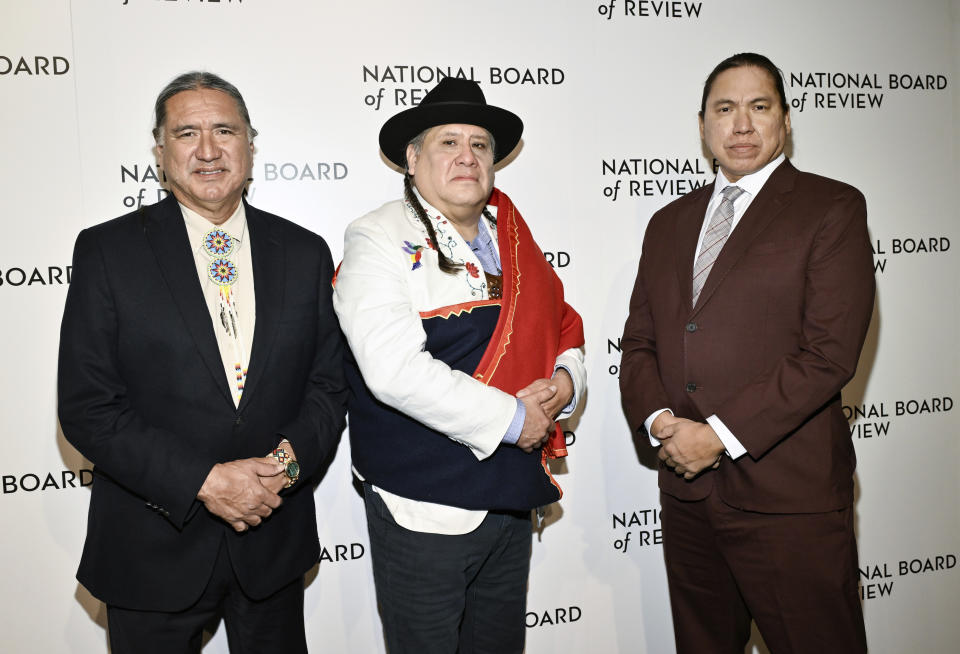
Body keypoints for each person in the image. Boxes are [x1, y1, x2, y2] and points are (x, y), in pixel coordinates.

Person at [57, 71, 346, 654]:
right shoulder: (107, 251)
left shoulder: (305, 250)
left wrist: (281, 471)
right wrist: (206, 482)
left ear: (250, 145)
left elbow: (328, 386)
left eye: (225, 131)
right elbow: (88, 408)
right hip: (151, 548)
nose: (209, 150)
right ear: (161, 151)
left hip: (272, 542)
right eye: (187, 133)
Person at [619, 53, 874, 653]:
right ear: (703, 125)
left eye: (759, 108)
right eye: (724, 109)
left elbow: (828, 354)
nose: (741, 125)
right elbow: (641, 342)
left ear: (784, 120)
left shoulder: (831, 209)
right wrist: (662, 425)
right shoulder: (668, 223)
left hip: (791, 500)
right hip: (688, 497)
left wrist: (719, 435)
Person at [333, 77, 586, 654]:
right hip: (425, 510)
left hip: (510, 501)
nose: (467, 156)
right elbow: (394, 369)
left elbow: (564, 331)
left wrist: (566, 383)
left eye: (480, 144)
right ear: (413, 159)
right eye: (448, 142)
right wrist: (516, 419)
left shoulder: (513, 239)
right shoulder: (376, 237)